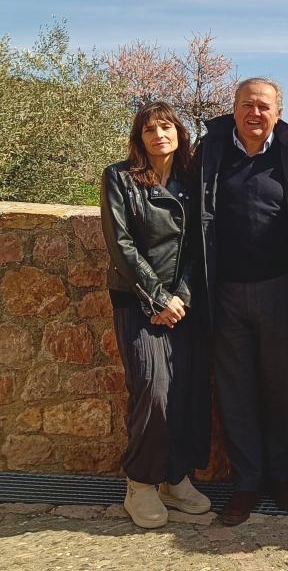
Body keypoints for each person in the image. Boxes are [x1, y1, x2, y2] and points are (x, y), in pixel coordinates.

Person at [194, 78, 288, 526]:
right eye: (247, 105)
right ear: (233, 109)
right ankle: (246, 484)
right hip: (224, 291)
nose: (255, 113)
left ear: (278, 111)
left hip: (278, 289)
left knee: (277, 385)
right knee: (235, 391)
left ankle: (282, 477)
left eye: (264, 106)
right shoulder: (211, 150)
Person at [100, 101, 211, 529]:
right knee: (153, 388)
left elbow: (199, 244)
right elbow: (121, 244)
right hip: (138, 300)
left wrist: (179, 294)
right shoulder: (120, 178)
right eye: (149, 129)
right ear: (139, 137)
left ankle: (176, 478)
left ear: (179, 133)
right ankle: (141, 484)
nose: (159, 135)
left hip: (185, 303)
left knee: (187, 389)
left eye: (167, 127)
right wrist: (157, 297)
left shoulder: (191, 180)